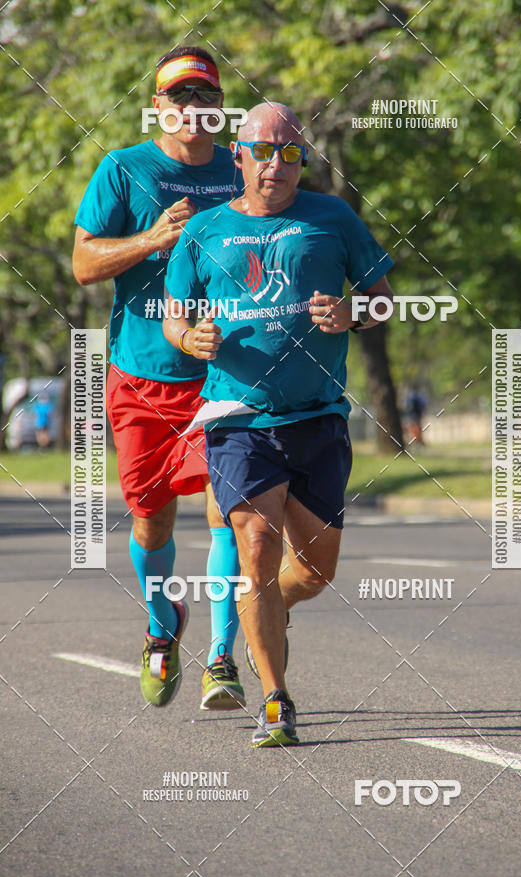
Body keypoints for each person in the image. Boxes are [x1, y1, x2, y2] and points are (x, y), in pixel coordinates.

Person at [164, 102, 394, 746]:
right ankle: (275, 699)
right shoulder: (204, 232)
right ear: (238, 157)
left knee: (314, 574)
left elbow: (382, 297)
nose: (276, 165)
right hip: (238, 419)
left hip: (318, 417)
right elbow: (174, 317)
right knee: (256, 550)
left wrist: (357, 313)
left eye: (290, 153)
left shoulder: (332, 217)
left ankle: (264, 614)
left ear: (303, 161)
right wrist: (189, 337)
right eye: (263, 152)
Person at [72, 46, 245, 710]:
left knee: (229, 513)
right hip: (142, 374)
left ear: (219, 107)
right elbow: (85, 265)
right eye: (179, 99)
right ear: (157, 107)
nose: (193, 110)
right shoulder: (124, 170)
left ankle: (222, 659)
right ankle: (159, 631)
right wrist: (152, 238)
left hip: (223, 375)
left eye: (205, 98)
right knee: (152, 522)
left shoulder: (242, 170)